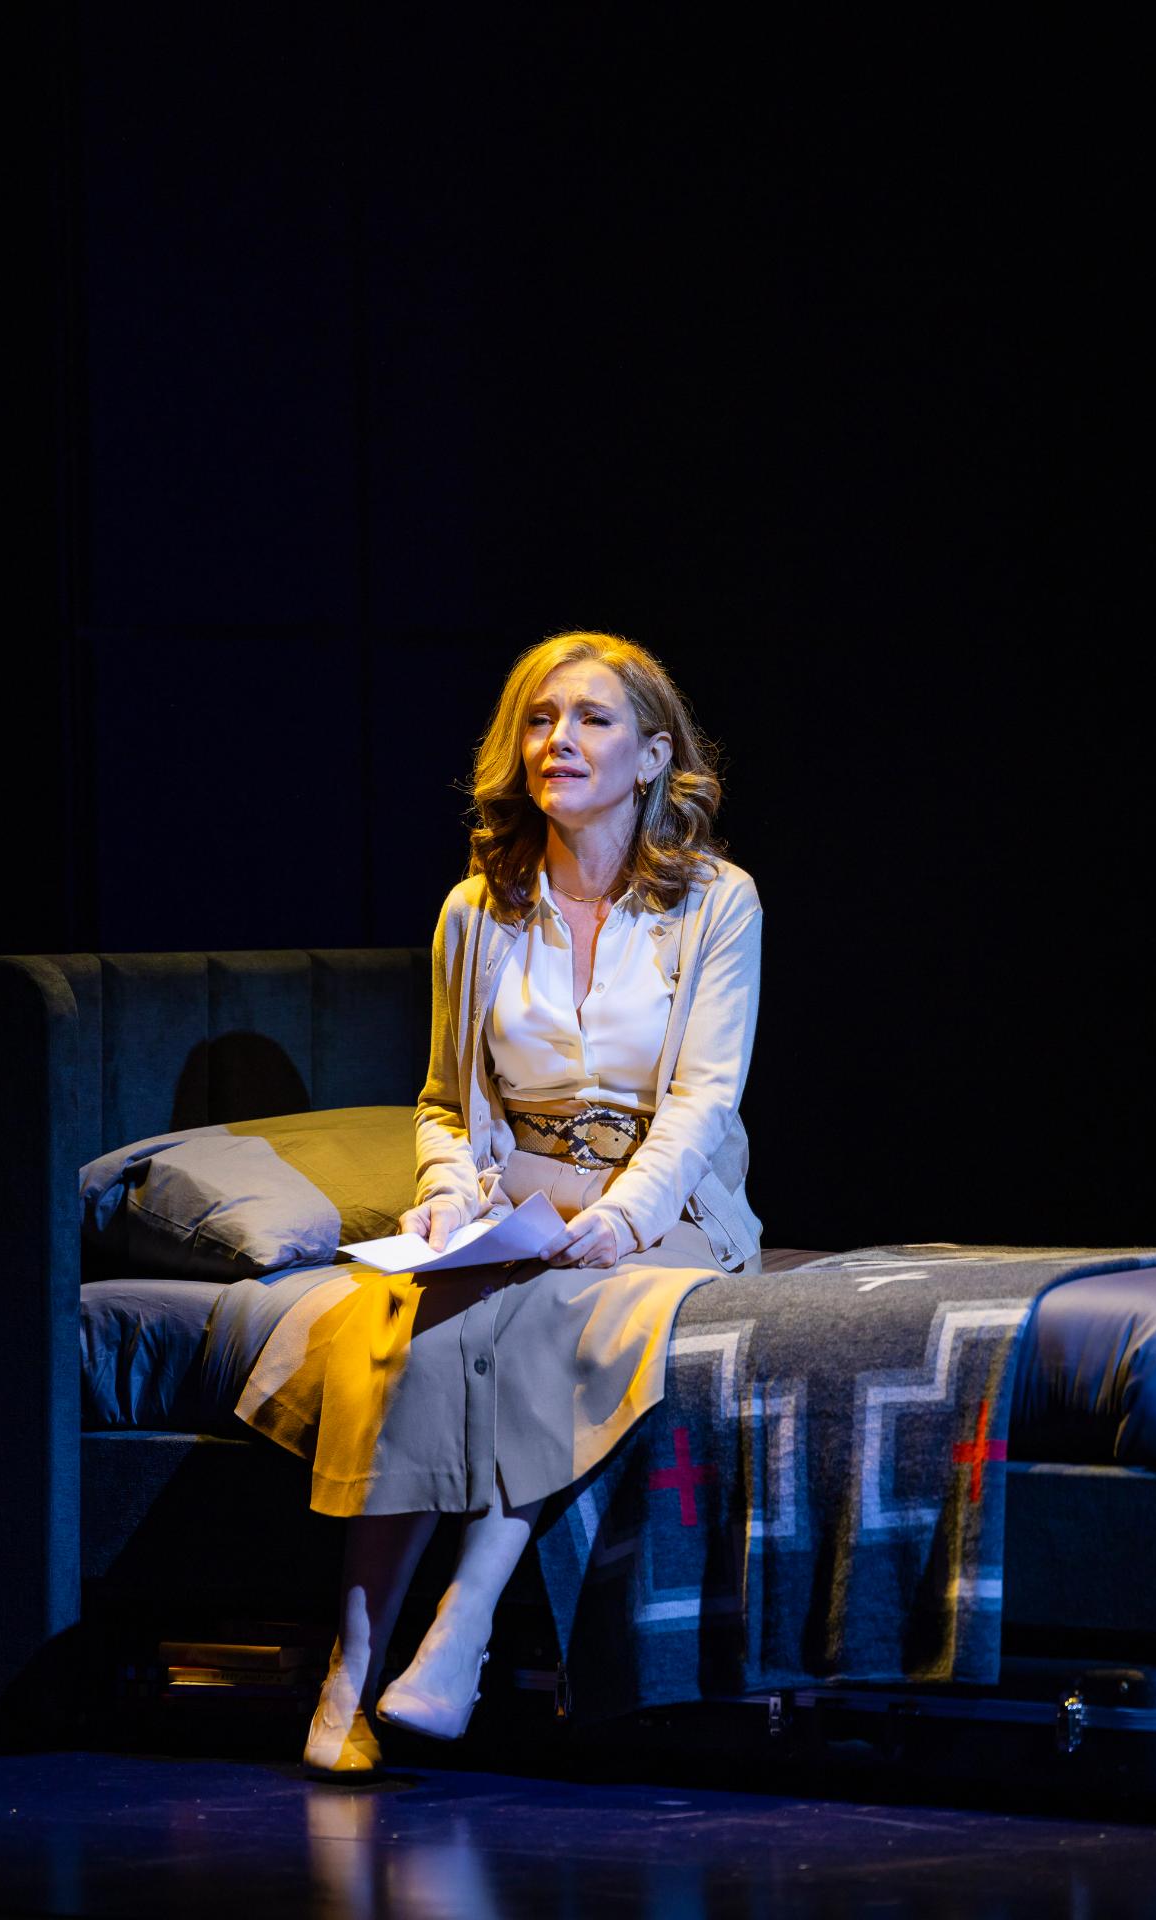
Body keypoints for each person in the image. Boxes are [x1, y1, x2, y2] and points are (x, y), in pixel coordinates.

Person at [234, 629, 762, 1776]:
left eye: (591, 719)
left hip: (666, 1206)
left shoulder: (717, 903)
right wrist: (442, 1197)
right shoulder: (477, 911)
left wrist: (619, 1218)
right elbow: (445, 1105)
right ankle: (351, 1672)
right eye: (538, 718)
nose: (557, 739)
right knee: (410, 1328)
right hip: (515, 1200)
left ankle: (462, 1626)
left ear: (652, 755)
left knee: (551, 1313)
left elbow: (703, 1100)